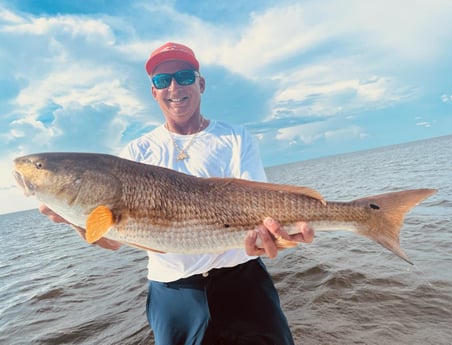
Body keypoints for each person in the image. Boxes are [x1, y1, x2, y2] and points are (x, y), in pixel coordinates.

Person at [39, 42, 315, 345]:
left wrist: (272, 236)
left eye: (184, 76)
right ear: (153, 92)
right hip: (173, 291)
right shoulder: (135, 153)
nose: (174, 87)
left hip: (243, 280)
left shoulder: (234, 137)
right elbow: (113, 242)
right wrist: (75, 220)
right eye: (162, 80)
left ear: (201, 83)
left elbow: (260, 207)